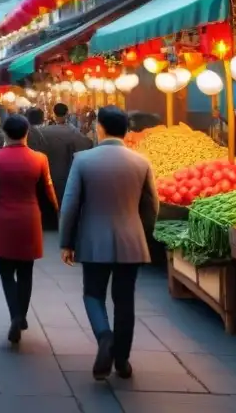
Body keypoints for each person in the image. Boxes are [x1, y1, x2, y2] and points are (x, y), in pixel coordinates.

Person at [59, 106, 159, 381]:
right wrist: (142, 234)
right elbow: (152, 205)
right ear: (127, 130)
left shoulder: (83, 160)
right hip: (131, 239)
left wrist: (66, 241)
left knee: (93, 293)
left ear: (99, 127)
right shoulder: (141, 162)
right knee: (125, 300)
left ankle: (105, 337)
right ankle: (122, 361)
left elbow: (69, 205)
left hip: (92, 240)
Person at [0, 114, 57, 344]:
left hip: (3, 219)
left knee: (5, 272)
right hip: (29, 218)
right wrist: (57, 211)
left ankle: (15, 314)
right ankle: (21, 315)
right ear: (27, 133)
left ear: (4, 132)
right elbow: (49, 189)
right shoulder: (39, 158)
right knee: (26, 271)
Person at [36, 103, 92, 230]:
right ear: (67, 114)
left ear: (53, 114)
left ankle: (49, 221)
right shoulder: (73, 132)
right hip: (66, 171)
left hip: (47, 170)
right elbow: (87, 145)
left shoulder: (43, 132)